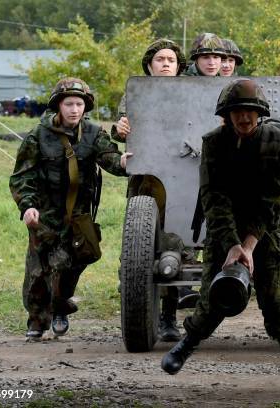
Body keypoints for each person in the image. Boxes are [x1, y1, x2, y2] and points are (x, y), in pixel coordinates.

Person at [161, 79, 280, 375]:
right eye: (237, 111)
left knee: (274, 298)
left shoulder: (277, 140)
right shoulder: (213, 142)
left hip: (265, 228)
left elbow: (275, 196)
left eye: (250, 111)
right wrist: (233, 244)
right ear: (226, 115)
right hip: (225, 230)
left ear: (260, 113)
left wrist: (249, 244)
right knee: (214, 297)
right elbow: (213, 197)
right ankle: (188, 343)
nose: (244, 117)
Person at [10, 78, 130, 340]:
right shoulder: (38, 136)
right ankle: (37, 321)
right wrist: (28, 206)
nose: (75, 109)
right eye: (69, 104)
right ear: (58, 106)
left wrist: (121, 162)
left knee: (81, 256)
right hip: (45, 211)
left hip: (78, 213)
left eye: (79, 104)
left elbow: (107, 157)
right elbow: (22, 176)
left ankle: (60, 303)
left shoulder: (92, 133)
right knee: (39, 270)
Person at [112, 38, 193, 342]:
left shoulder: (191, 92)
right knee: (148, 246)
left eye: (171, 60)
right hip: (150, 180)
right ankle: (149, 315)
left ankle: (171, 318)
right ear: (149, 64)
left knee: (174, 241)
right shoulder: (137, 93)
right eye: (160, 59)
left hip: (185, 175)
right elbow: (122, 125)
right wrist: (118, 129)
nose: (166, 64)